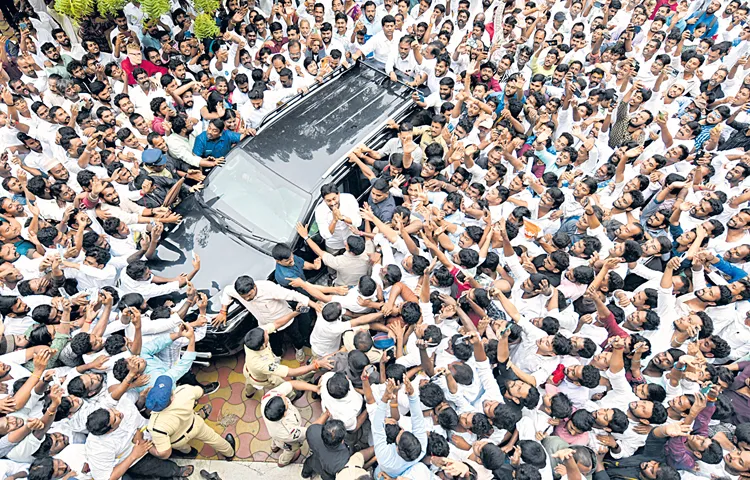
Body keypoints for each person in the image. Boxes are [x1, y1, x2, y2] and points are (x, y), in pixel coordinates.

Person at [146, 375, 236, 459]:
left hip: (178, 441)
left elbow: (164, 453)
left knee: (183, 448)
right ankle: (229, 453)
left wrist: (149, 448)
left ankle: (190, 453)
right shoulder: (183, 391)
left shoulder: (154, 426)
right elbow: (200, 391)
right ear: (171, 397)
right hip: (195, 425)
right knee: (213, 439)